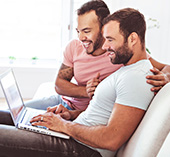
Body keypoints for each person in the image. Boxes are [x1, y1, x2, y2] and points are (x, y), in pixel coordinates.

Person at [0, 7, 159, 157]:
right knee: (5, 116)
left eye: (110, 39)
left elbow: (111, 139)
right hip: (74, 135)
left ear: (132, 39)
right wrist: (70, 115)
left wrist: (63, 125)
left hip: (82, 149)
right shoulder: (128, 69)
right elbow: (102, 116)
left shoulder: (137, 77)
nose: (105, 46)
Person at [25, 0, 170, 111]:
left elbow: (165, 67)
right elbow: (59, 84)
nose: (81, 37)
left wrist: (165, 76)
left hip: (83, 114)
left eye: (86, 31)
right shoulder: (74, 47)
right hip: (63, 103)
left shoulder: (120, 53)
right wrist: (86, 91)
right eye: (78, 31)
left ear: (103, 28)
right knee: (13, 114)